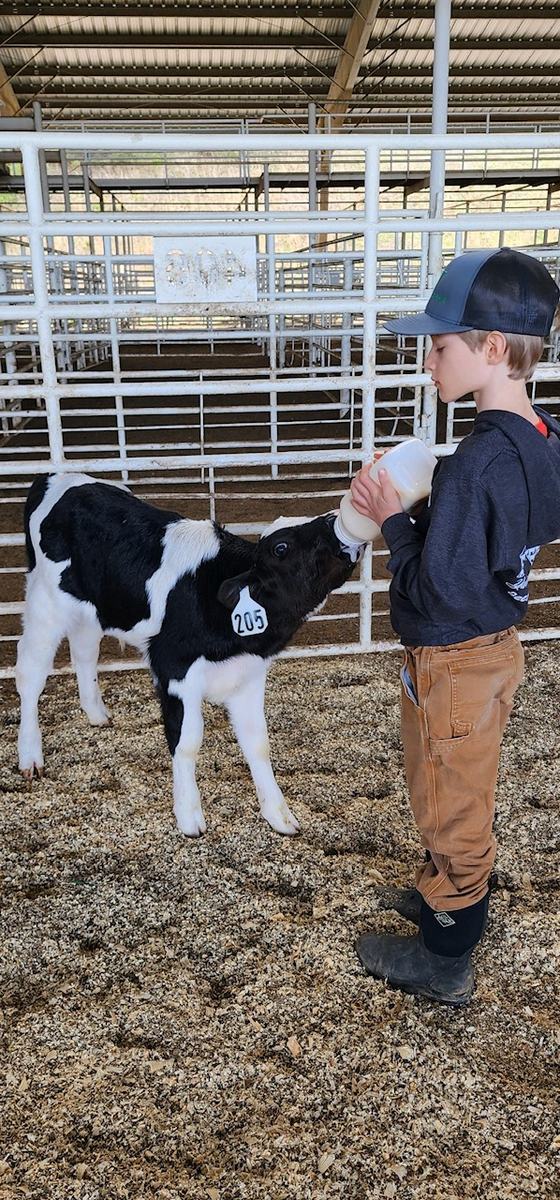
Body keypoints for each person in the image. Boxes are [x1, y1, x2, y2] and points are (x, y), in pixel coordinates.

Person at [351, 246, 560, 1006]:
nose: (428, 363)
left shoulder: (476, 464)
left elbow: (436, 588)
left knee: (448, 795)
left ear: (493, 349)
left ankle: (447, 954)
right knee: (455, 783)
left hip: (455, 656)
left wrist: (397, 520)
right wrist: (443, 506)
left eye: (440, 348)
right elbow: (496, 531)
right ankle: (450, 885)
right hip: (496, 648)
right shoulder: (540, 437)